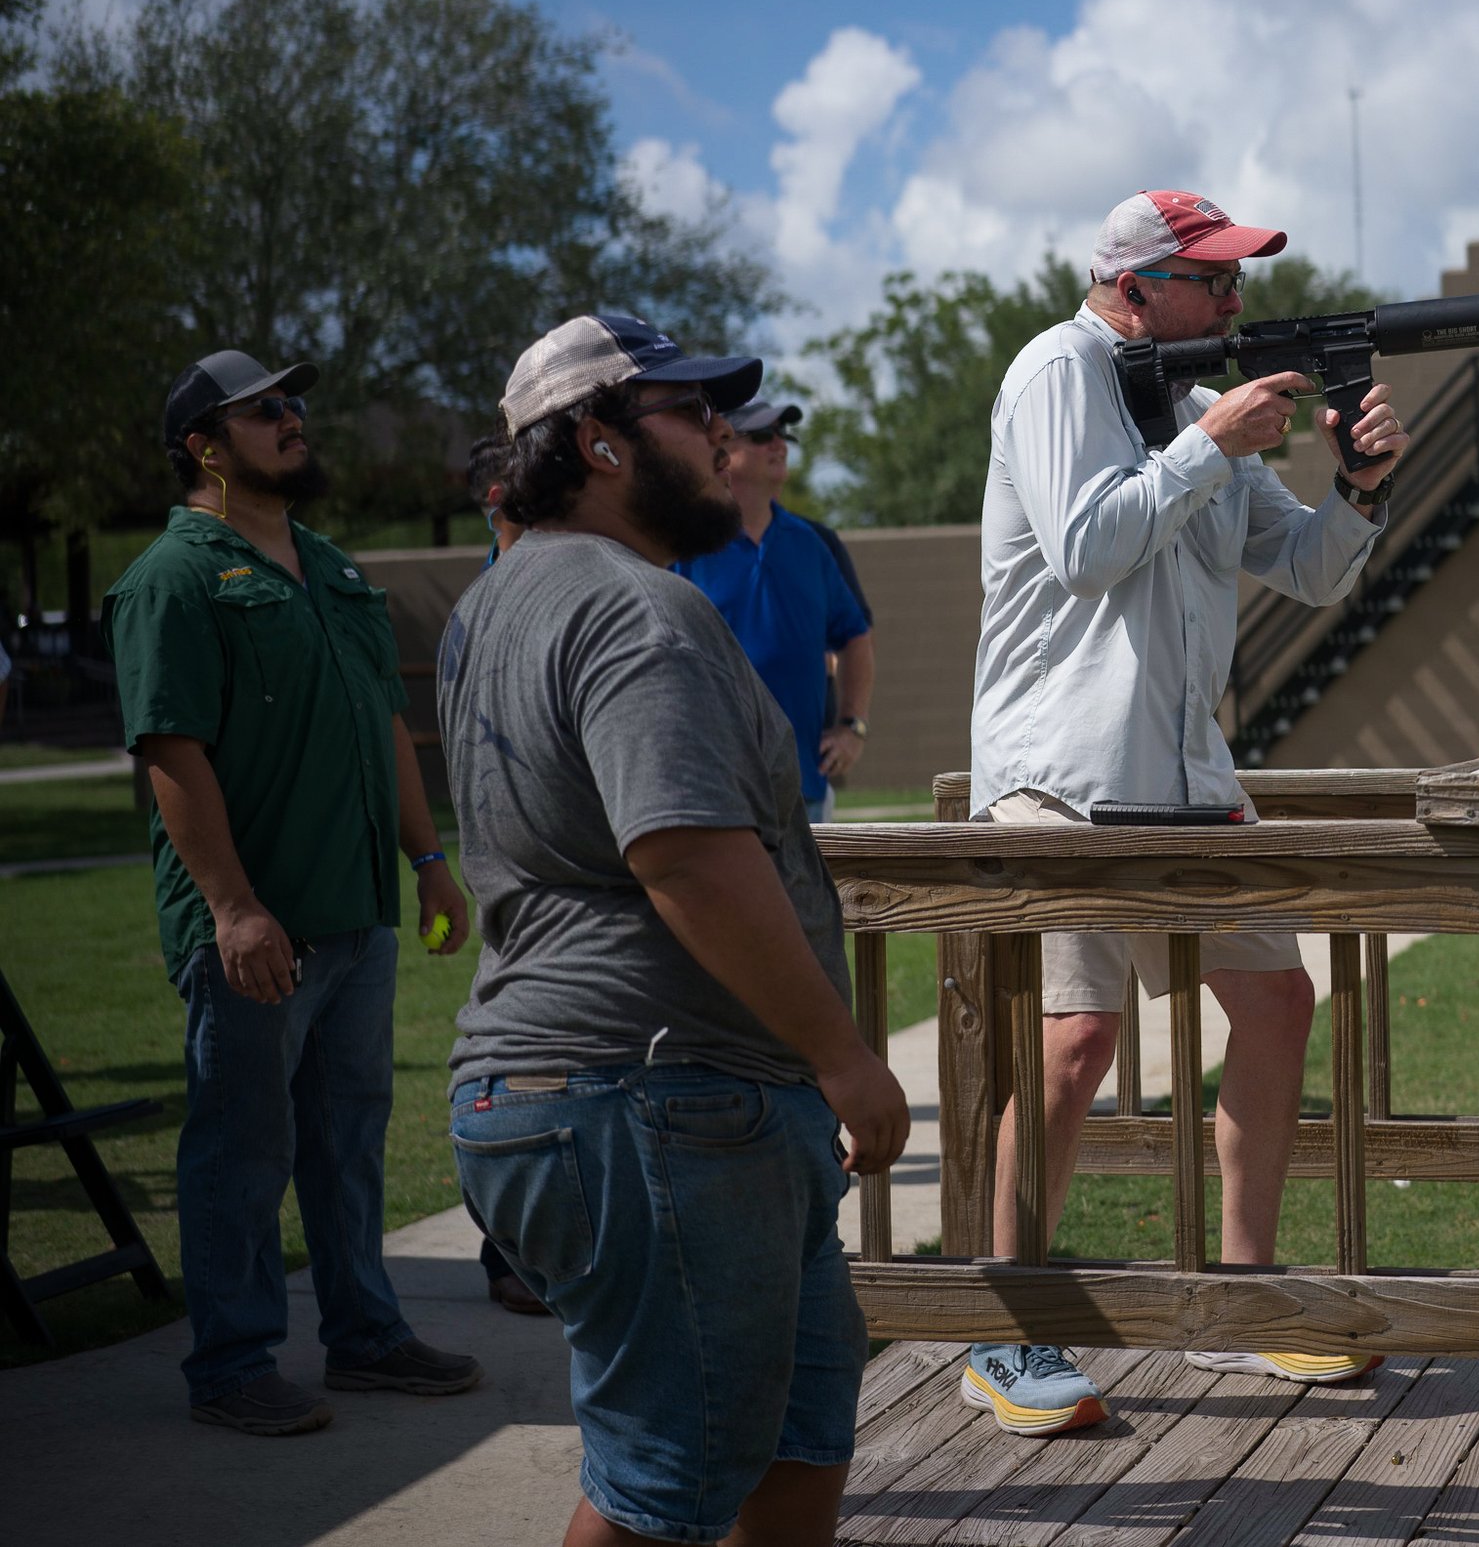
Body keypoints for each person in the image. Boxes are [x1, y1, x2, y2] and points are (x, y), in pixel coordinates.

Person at [438, 314, 909, 1546]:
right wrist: (842, 1055)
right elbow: (686, 858)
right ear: (595, 443)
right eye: (690, 414)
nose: (723, 436)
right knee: (666, 1483)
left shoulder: (495, 606)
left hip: (641, 1103)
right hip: (656, 1106)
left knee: (799, 1426)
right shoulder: (636, 610)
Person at [961, 189, 1410, 1435]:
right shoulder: (1057, 370)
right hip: (1060, 776)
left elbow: (1312, 570)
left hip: (1187, 777)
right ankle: (1010, 1335)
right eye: (1212, 281)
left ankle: (1242, 1301)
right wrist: (1212, 438)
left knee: (1276, 997)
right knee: (1071, 1049)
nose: (1236, 303)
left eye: (1235, 281)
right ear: (1136, 286)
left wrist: (1360, 488)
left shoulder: (1192, 405)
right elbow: (1087, 549)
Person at [104, 350, 482, 1437]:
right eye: (264, 409)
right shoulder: (172, 580)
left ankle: (365, 1337)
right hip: (255, 929)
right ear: (203, 447)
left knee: (350, 1138)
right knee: (242, 1147)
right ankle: (232, 1364)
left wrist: (426, 858)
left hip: (356, 910)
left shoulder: (332, 566)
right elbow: (173, 752)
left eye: (295, 403)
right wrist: (230, 907)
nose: (292, 418)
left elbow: (383, 727)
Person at [676, 398, 873, 822]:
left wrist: (852, 727)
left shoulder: (811, 545)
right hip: (712, 788)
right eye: (764, 436)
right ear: (725, 449)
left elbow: (855, 636)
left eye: (783, 436)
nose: (779, 445)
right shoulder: (686, 545)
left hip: (805, 789)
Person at [456, 432, 547, 1317]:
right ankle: (507, 1253)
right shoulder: (491, 603)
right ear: (496, 493)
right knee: (526, 1053)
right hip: (526, 866)